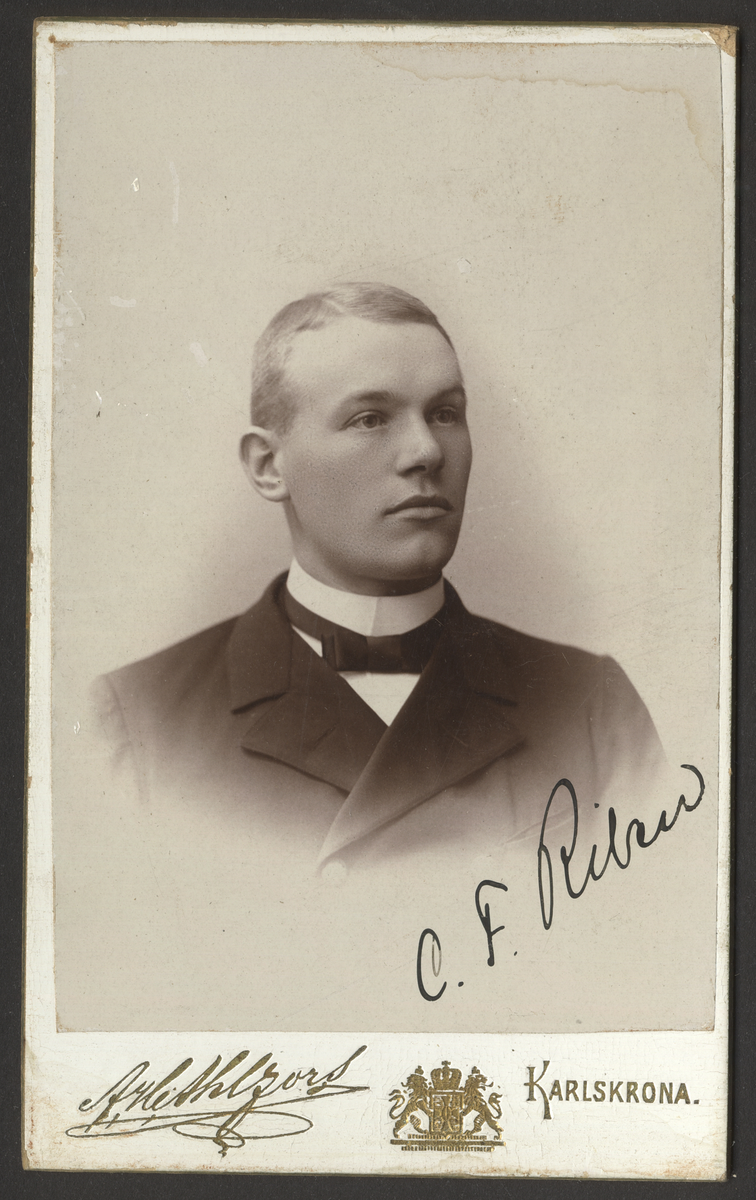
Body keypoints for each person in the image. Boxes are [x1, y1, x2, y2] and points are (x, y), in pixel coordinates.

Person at [92, 282, 667, 876]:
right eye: (369, 419)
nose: (426, 451)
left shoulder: (590, 707)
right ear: (268, 467)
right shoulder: (139, 722)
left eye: (445, 413)